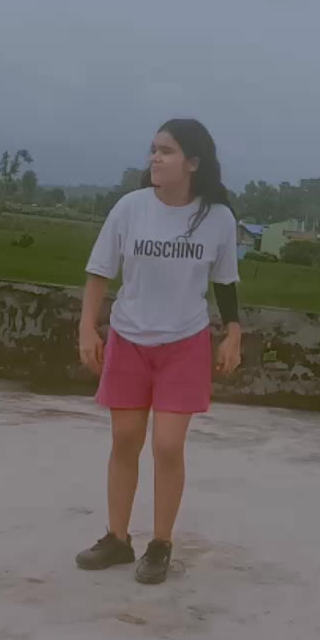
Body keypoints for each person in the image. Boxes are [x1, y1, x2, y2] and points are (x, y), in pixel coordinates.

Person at [76, 118, 241, 585]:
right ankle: (117, 538)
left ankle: (161, 543)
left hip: (185, 343)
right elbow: (99, 272)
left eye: (166, 151)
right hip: (129, 338)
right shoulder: (130, 208)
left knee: (168, 445)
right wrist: (87, 328)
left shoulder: (217, 218)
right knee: (125, 439)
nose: (154, 158)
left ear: (193, 162)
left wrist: (233, 333)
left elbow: (226, 282)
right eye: (153, 149)